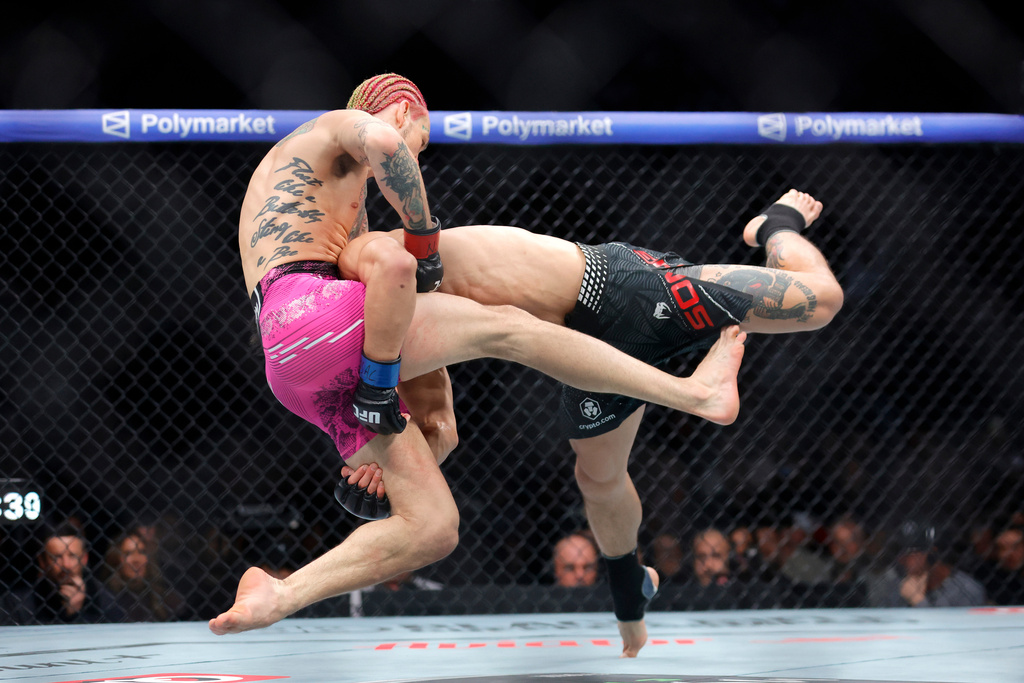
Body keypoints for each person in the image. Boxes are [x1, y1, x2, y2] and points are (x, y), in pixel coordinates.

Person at [210, 74, 749, 637]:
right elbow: (387, 148)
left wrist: (391, 462)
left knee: (433, 527)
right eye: (422, 141)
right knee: (508, 327)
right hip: (309, 311)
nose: (416, 157)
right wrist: (423, 237)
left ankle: (280, 593)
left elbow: (428, 394)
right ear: (404, 110)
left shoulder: (329, 202)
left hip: (294, 367)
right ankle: (693, 392)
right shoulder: (335, 129)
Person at [342, 188, 843, 654]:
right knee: (599, 478)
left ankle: (775, 225)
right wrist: (391, 482)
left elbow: (376, 168)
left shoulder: (381, 262)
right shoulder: (380, 337)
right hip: (581, 352)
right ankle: (628, 589)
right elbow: (440, 427)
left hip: (623, 289)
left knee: (822, 300)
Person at [876, 520, 986, 608]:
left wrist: (918, 601)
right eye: (899, 554)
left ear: (931, 554)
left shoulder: (967, 590)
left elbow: (947, 629)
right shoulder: (898, 585)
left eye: (909, 554)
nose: (901, 560)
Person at [32, 522, 121, 623]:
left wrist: (75, 613)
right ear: (42, 561)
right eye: (56, 557)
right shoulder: (26, 603)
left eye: (72, 556)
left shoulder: (107, 600)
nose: (66, 565)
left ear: (84, 558)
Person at [103, 528, 186, 622]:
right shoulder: (106, 599)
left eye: (141, 552)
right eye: (128, 553)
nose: (136, 559)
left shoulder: (166, 599)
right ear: (116, 559)